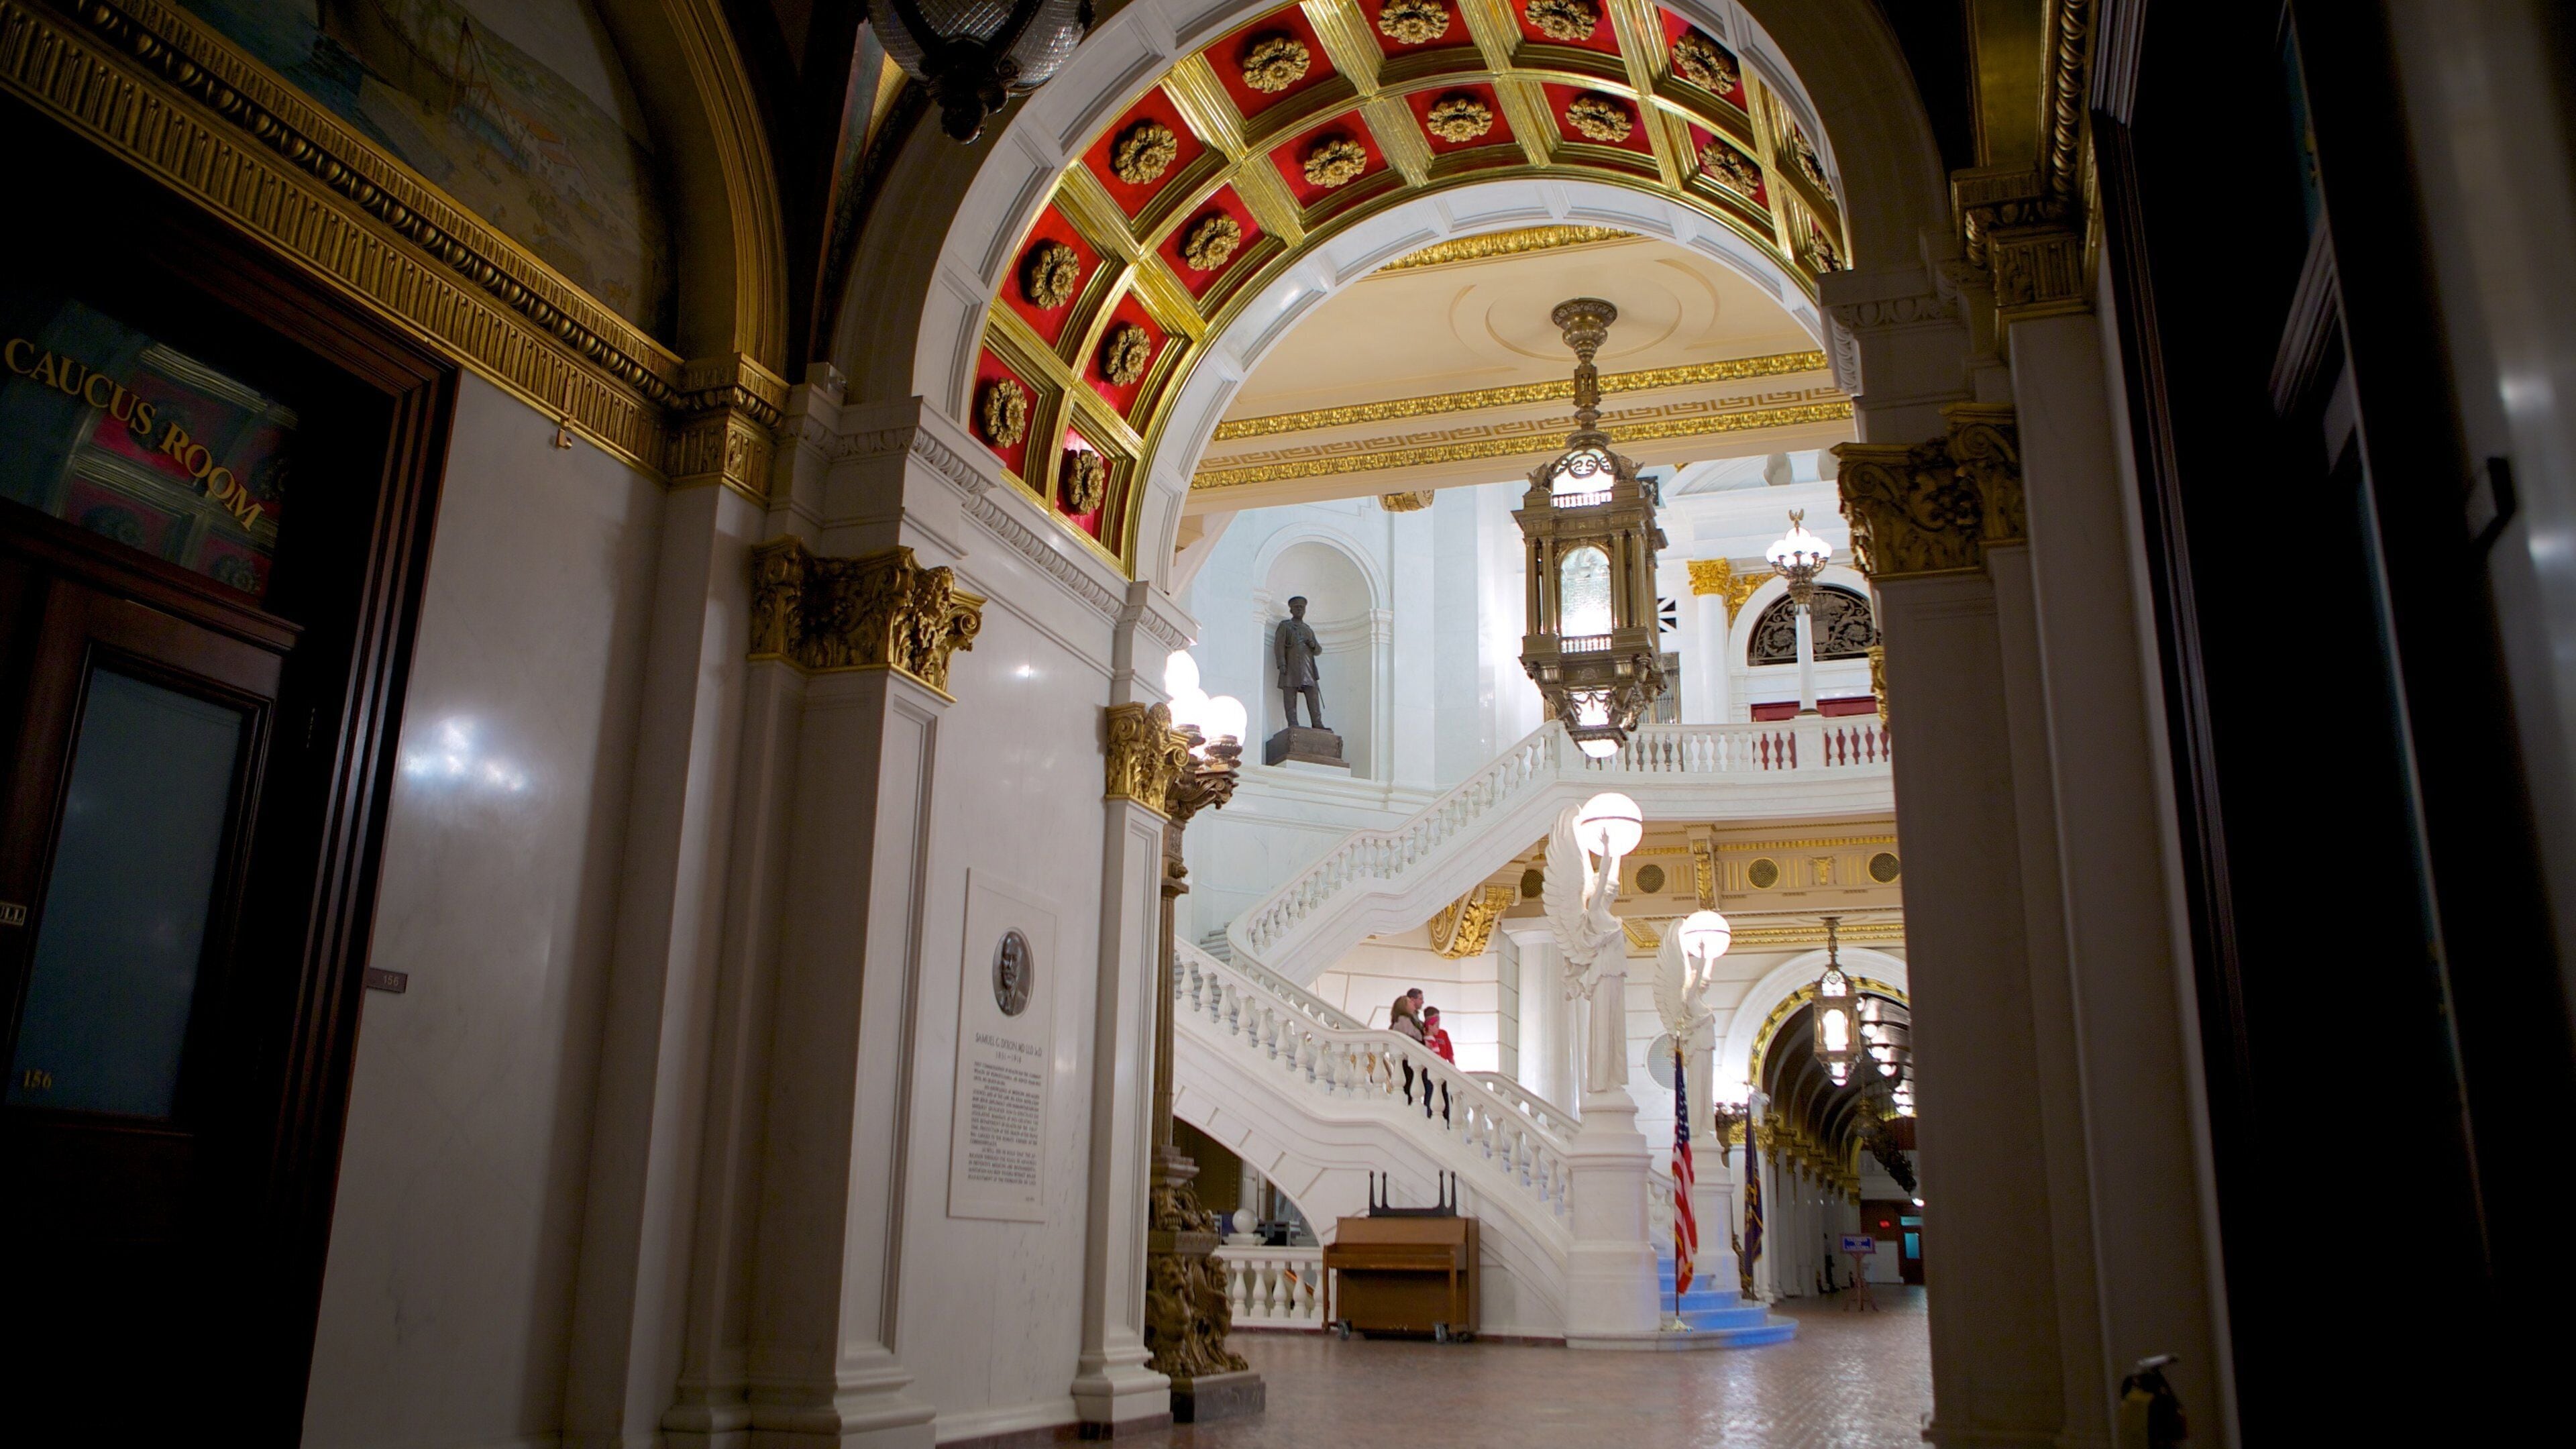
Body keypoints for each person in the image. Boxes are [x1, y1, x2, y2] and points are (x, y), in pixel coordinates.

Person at [1388, 992, 1426, 1107]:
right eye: (1409, 1002)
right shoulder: (1404, 1020)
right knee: (1409, 1089)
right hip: (1406, 1061)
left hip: (1407, 1061)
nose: (1412, 1003)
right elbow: (1413, 1037)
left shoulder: (1406, 1020)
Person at [1421, 1006, 1455, 1122]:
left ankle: (1447, 1122)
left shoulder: (1443, 1034)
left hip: (1443, 1070)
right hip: (1431, 1071)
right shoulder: (1426, 1036)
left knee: (1445, 1097)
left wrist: (1453, 1068)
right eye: (1436, 1020)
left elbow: (1449, 1053)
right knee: (1431, 1096)